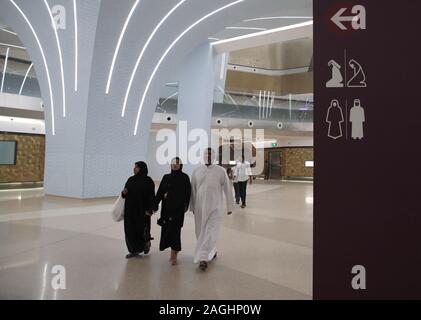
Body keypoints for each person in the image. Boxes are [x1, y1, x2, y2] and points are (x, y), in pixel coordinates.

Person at [190, 148, 234, 271]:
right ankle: (212, 250)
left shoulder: (220, 171)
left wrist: (229, 206)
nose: (208, 156)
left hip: (215, 206)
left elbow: (227, 188)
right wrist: (192, 206)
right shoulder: (197, 170)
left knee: (211, 231)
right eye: (206, 154)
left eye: (210, 154)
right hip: (199, 207)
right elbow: (193, 190)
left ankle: (203, 258)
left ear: (214, 156)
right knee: (200, 232)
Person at [154, 157, 191, 265]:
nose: (175, 165)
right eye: (173, 163)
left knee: (175, 231)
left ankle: (174, 254)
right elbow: (160, 192)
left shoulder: (184, 177)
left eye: (177, 163)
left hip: (178, 210)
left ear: (181, 165)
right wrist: (154, 205)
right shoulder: (166, 177)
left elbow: (187, 194)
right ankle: (173, 250)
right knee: (167, 230)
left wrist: (185, 206)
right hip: (166, 210)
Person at [121, 161, 155, 259]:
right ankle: (133, 250)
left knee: (141, 230)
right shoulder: (130, 179)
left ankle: (145, 244)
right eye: (134, 167)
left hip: (142, 211)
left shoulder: (148, 181)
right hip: (130, 211)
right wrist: (124, 192)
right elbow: (124, 194)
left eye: (137, 167)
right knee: (130, 230)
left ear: (142, 168)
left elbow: (151, 196)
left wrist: (150, 209)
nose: (134, 169)